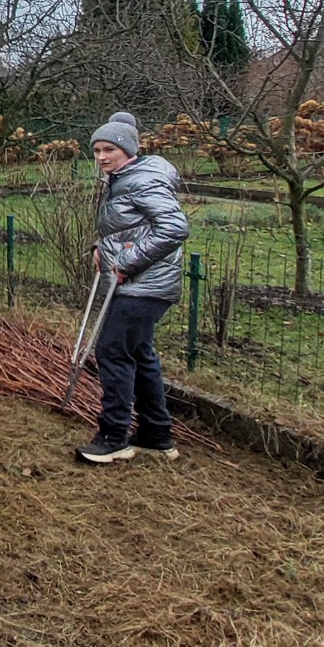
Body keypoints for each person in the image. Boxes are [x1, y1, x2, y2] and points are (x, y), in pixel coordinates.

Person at [76, 110, 189, 464]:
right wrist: (102, 247)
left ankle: (113, 437)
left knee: (112, 351)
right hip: (140, 282)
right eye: (96, 151)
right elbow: (132, 228)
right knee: (139, 353)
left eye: (109, 149)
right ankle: (156, 435)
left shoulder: (142, 180)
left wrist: (126, 262)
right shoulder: (125, 178)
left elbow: (173, 228)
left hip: (146, 285)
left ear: (128, 149)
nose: (102, 157)